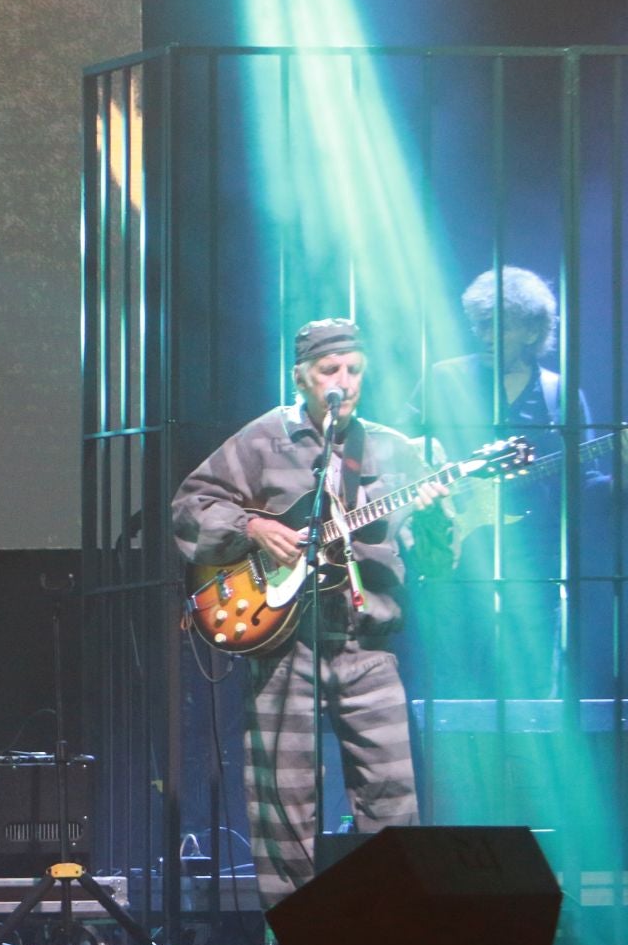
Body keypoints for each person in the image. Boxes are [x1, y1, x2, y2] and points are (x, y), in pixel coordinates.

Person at [173, 317, 453, 902]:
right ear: (302, 377)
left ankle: (394, 926)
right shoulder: (262, 439)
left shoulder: (396, 452)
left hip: (366, 642)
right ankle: (292, 935)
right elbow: (190, 505)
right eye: (330, 370)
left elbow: (436, 560)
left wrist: (430, 518)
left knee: (391, 791)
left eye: (353, 370)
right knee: (284, 795)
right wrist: (252, 526)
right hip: (283, 646)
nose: (343, 382)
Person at [402, 266, 606, 701]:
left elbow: (584, 487)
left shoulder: (559, 393)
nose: (486, 334)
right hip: (453, 556)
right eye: (479, 323)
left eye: (500, 324)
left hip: (535, 565)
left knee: (531, 694)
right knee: (453, 687)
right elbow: (396, 453)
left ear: (533, 329)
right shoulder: (444, 378)